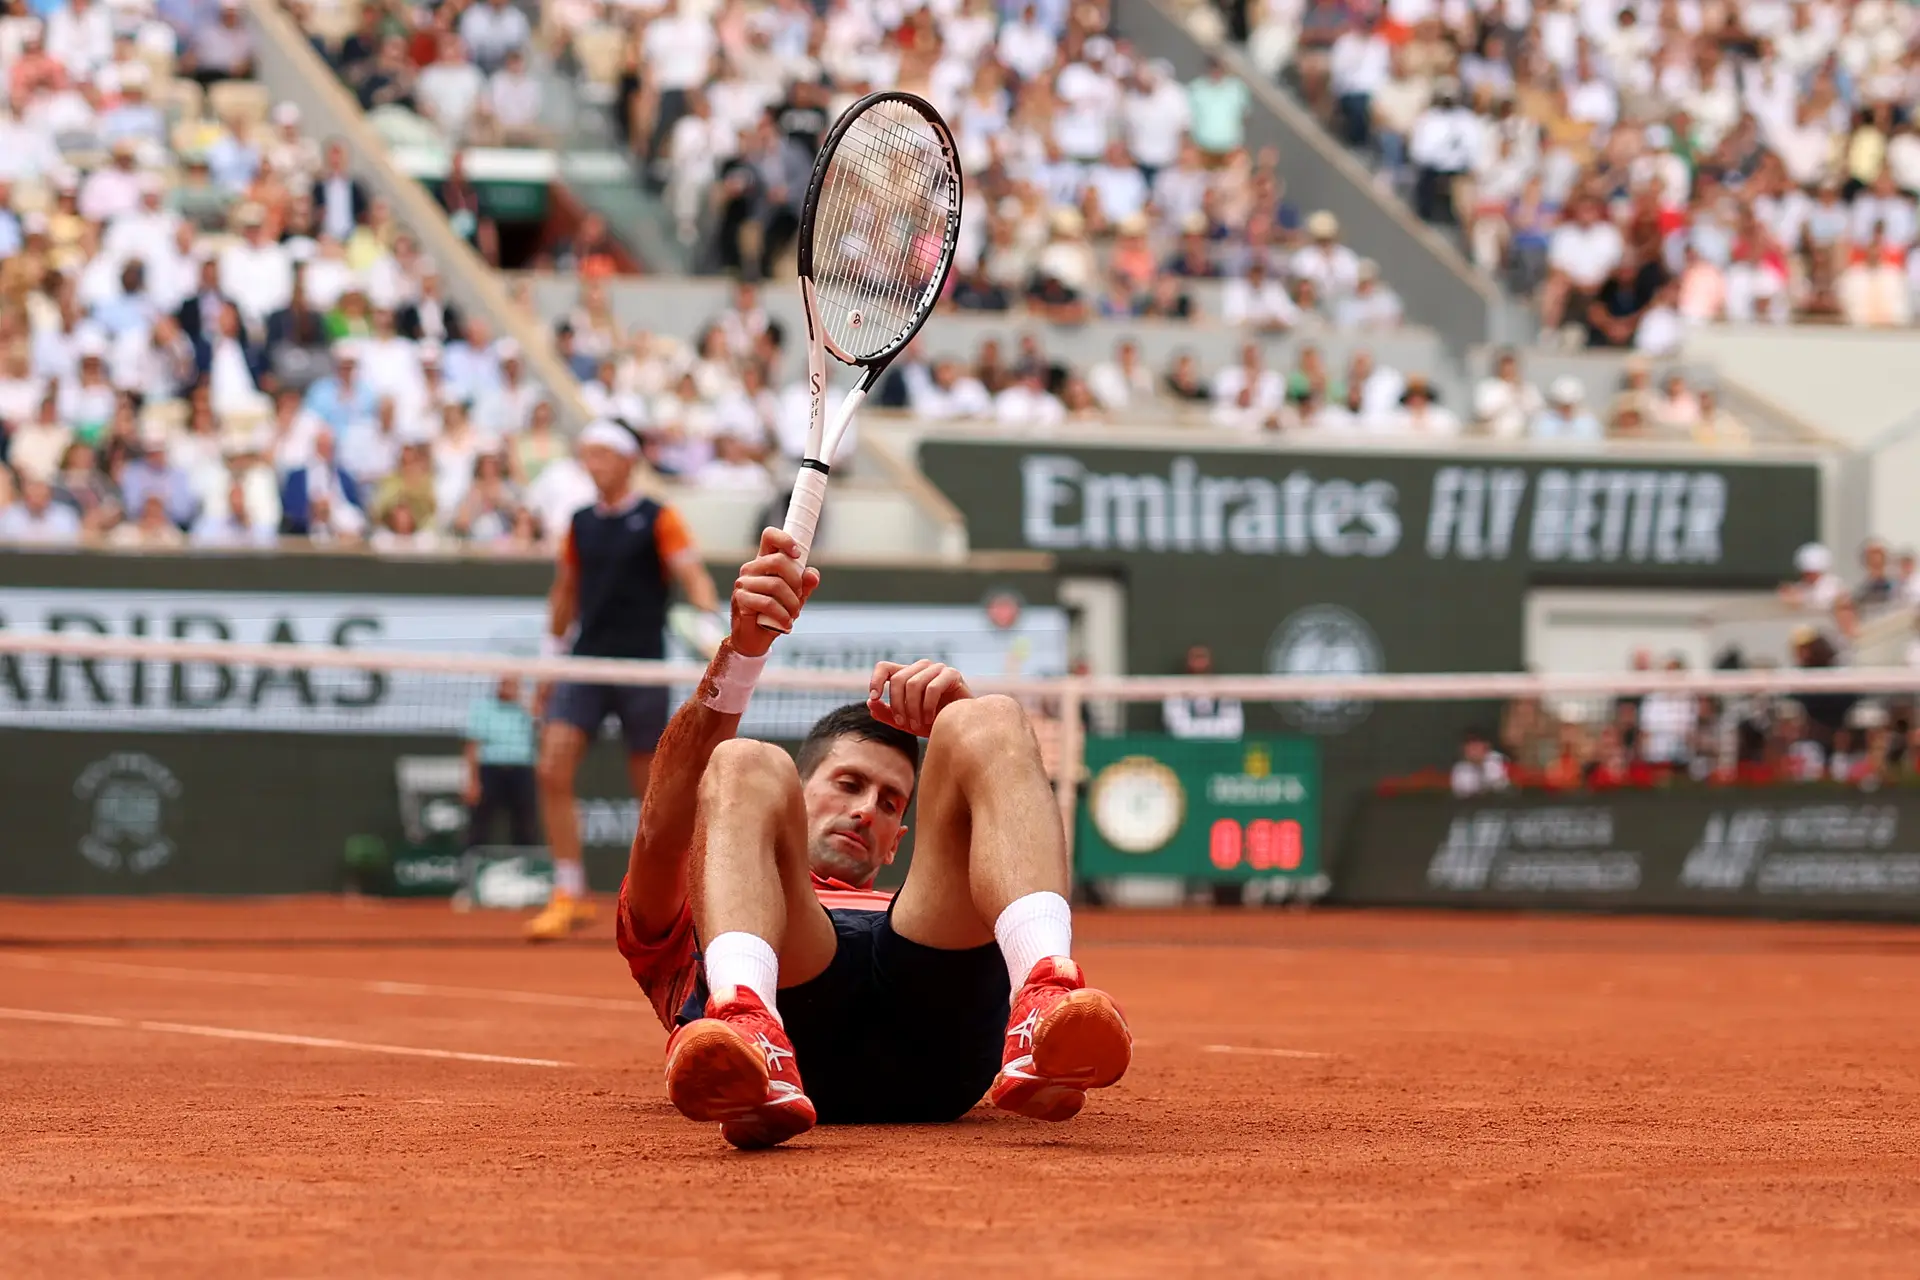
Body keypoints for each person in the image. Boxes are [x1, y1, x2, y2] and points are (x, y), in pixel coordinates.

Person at [617, 527, 1132, 1150]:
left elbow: (1015, 835)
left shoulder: (933, 900)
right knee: (741, 760)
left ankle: (1047, 992)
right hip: (788, 1029)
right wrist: (742, 655)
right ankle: (746, 1019)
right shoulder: (698, 896)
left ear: (897, 843)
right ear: (790, 803)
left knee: (989, 716)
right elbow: (659, 825)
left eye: (890, 803)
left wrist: (966, 734)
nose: (866, 810)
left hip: (944, 1040)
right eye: (848, 783)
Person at [529, 421, 720, 941]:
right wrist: (550, 661)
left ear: (628, 461)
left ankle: (667, 900)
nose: (592, 465)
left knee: (652, 793)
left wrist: (709, 623)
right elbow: (564, 593)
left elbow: (693, 576)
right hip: (584, 664)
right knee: (552, 767)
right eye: (586, 456)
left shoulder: (660, 519)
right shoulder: (579, 523)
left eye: (602, 456)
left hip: (642, 668)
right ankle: (569, 892)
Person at [465, 676, 539, 850]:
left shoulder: (527, 709)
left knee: (525, 825)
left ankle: (526, 869)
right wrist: (472, 781)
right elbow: (472, 746)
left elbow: (544, 725)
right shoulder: (482, 708)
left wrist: (524, 701)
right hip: (490, 770)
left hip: (522, 771)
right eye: (505, 683)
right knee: (479, 825)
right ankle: (472, 866)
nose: (509, 687)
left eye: (513, 683)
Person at [1161, 644, 1242, 739]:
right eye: (1195, 658)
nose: (1199, 663)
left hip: (1222, 749)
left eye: (1202, 657)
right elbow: (1178, 729)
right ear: (1187, 662)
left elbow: (1233, 728)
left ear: (1210, 661)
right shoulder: (1174, 690)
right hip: (1185, 750)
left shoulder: (1226, 689)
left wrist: (1199, 729)